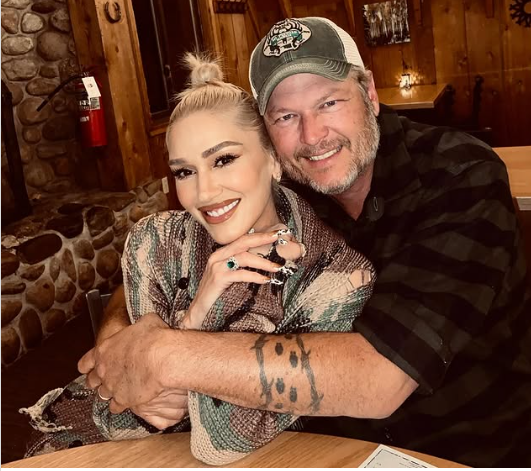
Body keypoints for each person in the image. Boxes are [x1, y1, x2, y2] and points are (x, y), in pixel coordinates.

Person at [79, 18, 531, 468]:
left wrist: (164, 354)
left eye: (329, 103)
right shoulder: (285, 184)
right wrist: (121, 337)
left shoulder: (460, 176)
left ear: (369, 93)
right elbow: (171, 251)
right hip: (315, 451)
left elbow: (379, 379)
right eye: (286, 116)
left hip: (466, 451)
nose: (312, 135)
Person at [21, 53, 375, 465]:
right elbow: (126, 409)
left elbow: (221, 441)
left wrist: (192, 332)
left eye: (223, 160)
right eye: (184, 172)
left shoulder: (338, 277)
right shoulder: (155, 240)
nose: (204, 193)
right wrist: (198, 311)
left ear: (273, 160)